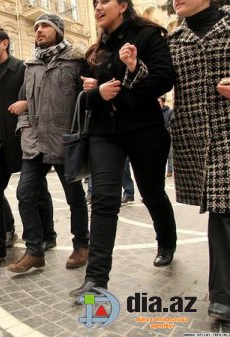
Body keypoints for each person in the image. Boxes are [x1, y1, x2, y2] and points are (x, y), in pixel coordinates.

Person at [69, 0, 177, 299]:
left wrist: (123, 90)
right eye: (94, 4)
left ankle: (166, 241)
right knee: (103, 199)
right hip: (105, 133)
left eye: (104, 1)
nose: (97, 8)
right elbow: (84, 96)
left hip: (145, 131)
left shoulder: (148, 35)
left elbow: (164, 80)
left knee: (152, 192)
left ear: (123, 5)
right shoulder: (96, 49)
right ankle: (96, 280)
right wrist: (98, 94)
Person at [8, 14, 89, 273]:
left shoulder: (75, 61)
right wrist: (25, 126)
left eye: (45, 26)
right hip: (35, 142)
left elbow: (84, 100)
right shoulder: (31, 65)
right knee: (24, 193)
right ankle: (34, 251)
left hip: (65, 140)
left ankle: (82, 245)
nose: (39, 31)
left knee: (74, 197)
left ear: (58, 31)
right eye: (36, 27)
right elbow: (25, 101)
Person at [167, 2, 230, 321]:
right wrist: (135, 68)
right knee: (223, 207)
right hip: (198, 135)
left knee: (224, 207)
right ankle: (223, 296)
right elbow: (157, 83)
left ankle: (223, 295)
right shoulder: (174, 40)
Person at [0, 27, 55, 264]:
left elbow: (41, 97)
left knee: (37, 191)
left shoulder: (23, 69)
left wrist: (26, 104)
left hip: (26, 138)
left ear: (5, 43)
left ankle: (47, 235)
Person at [158, 97, 173, 177]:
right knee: (160, 155)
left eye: (159, 101)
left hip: (168, 135)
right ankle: (161, 172)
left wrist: (166, 130)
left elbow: (172, 123)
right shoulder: (155, 112)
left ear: (163, 102)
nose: (158, 103)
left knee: (170, 154)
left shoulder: (170, 111)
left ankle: (169, 171)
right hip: (158, 136)